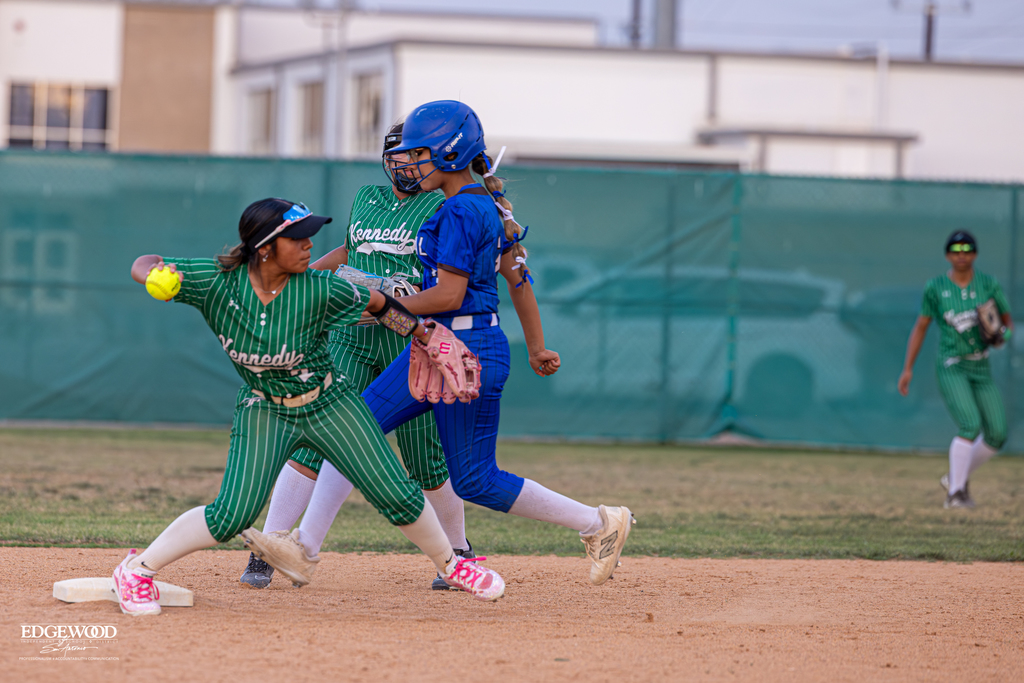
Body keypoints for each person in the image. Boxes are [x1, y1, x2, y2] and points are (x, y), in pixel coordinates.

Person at [249, 100, 634, 589]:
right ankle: (303, 549)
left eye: (420, 153)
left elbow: (451, 295)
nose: (409, 164)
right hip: (448, 345)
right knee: (355, 431)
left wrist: (376, 300)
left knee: (475, 479)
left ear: (452, 154)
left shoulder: (459, 209)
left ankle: (599, 523)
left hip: (463, 348)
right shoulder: (480, 204)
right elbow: (514, 278)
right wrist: (535, 346)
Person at [113, 197, 505, 616]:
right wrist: (153, 274)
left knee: (398, 494)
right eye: (298, 237)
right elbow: (146, 260)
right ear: (265, 247)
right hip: (265, 409)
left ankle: (451, 566)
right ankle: (137, 570)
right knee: (231, 515)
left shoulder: (321, 287)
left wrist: (424, 336)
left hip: (329, 405)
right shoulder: (218, 282)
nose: (309, 245)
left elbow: (378, 304)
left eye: (310, 236)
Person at [237, 124, 470, 592]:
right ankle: (270, 545)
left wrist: (410, 295)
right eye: (399, 156)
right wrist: (297, 280)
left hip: (409, 342)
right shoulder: (366, 197)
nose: (406, 164)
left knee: (426, 456)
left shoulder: (446, 203)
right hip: (352, 335)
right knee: (313, 434)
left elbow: (449, 272)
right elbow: (352, 248)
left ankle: (459, 553)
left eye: (416, 155)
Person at [898, 230, 1013, 509]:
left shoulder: (988, 284)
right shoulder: (935, 287)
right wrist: (908, 368)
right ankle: (956, 494)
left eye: (967, 249)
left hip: (980, 365)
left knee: (997, 432)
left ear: (975, 254)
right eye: (956, 249)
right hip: (952, 364)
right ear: (948, 254)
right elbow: (921, 326)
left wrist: (1001, 336)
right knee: (970, 423)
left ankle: (954, 478)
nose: (961, 255)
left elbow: (1007, 323)